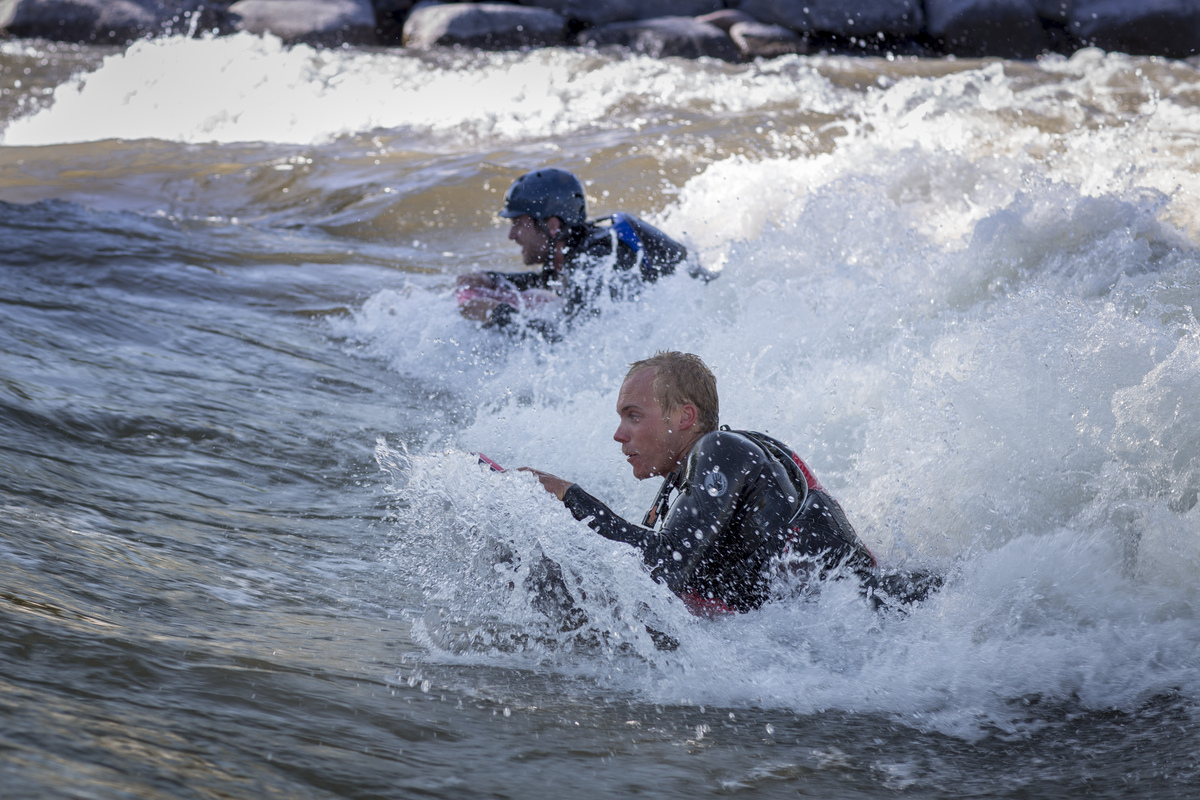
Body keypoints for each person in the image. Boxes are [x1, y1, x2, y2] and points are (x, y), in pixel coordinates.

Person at [521, 352, 935, 618]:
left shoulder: (721, 450)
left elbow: (664, 568)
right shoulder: (684, 484)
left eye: (633, 416)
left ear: (684, 417)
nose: (619, 434)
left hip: (885, 613)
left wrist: (565, 495)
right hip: (836, 626)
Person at [456, 168, 696, 330]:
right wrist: (490, 280)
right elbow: (548, 281)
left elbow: (573, 340)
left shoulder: (599, 257)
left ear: (552, 226)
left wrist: (498, 314)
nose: (512, 235)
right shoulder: (574, 251)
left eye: (518, 223)